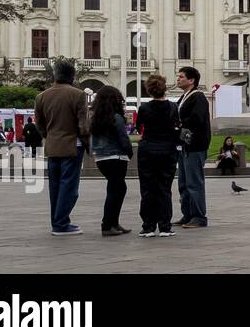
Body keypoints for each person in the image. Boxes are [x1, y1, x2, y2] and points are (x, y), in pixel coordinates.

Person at [34, 60, 89, 237]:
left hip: (52, 146)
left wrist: (49, 137)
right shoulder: (78, 95)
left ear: (55, 75)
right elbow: (83, 125)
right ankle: (61, 223)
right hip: (72, 146)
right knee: (69, 187)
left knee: (55, 186)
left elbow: (39, 125)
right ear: (72, 76)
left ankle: (56, 221)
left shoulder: (41, 96)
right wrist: (87, 142)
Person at [136, 74, 180, 237]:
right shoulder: (173, 107)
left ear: (149, 90)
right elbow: (176, 126)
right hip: (167, 150)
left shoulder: (144, 108)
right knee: (164, 188)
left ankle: (148, 226)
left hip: (147, 150)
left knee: (147, 188)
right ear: (164, 88)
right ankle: (165, 226)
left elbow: (138, 126)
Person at [89, 85, 133, 236]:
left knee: (116, 188)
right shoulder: (116, 117)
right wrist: (130, 152)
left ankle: (113, 222)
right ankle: (108, 224)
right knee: (116, 190)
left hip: (101, 158)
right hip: (116, 157)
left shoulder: (96, 118)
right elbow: (123, 138)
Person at [175, 66, 210, 229]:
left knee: (194, 182)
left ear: (191, 80)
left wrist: (179, 124)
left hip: (194, 145)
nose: (178, 79)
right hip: (183, 145)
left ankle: (199, 216)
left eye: (181, 77)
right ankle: (187, 214)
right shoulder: (183, 98)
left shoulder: (198, 97)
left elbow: (196, 119)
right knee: (183, 182)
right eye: (178, 76)